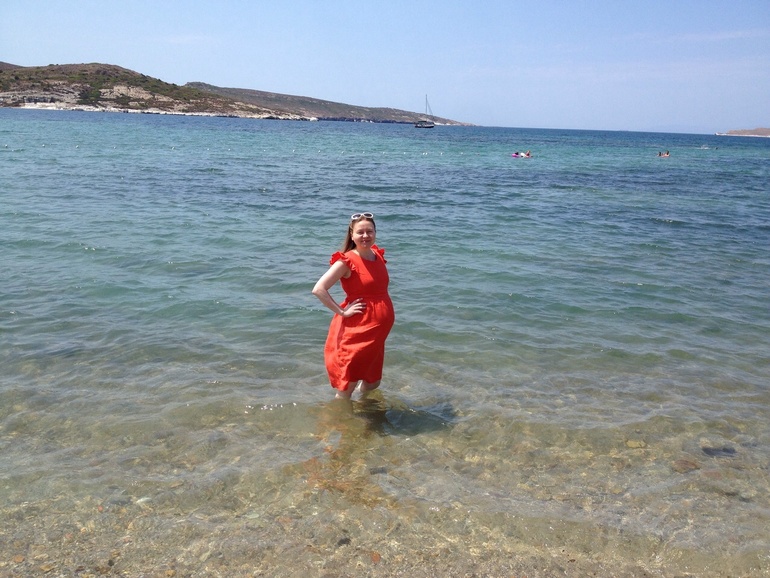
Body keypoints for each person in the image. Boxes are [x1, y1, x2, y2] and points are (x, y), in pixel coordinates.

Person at [312, 212, 395, 399]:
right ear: (352, 235)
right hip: (357, 332)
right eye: (360, 232)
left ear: (375, 232)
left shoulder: (377, 255)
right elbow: (318, 289)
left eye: (369, 231)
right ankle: (340, 414)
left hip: (376, 335)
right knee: (347, 385)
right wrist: (342, 311)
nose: (365, 236)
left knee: (373, 382)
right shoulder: (346, 261)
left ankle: (363, 408)